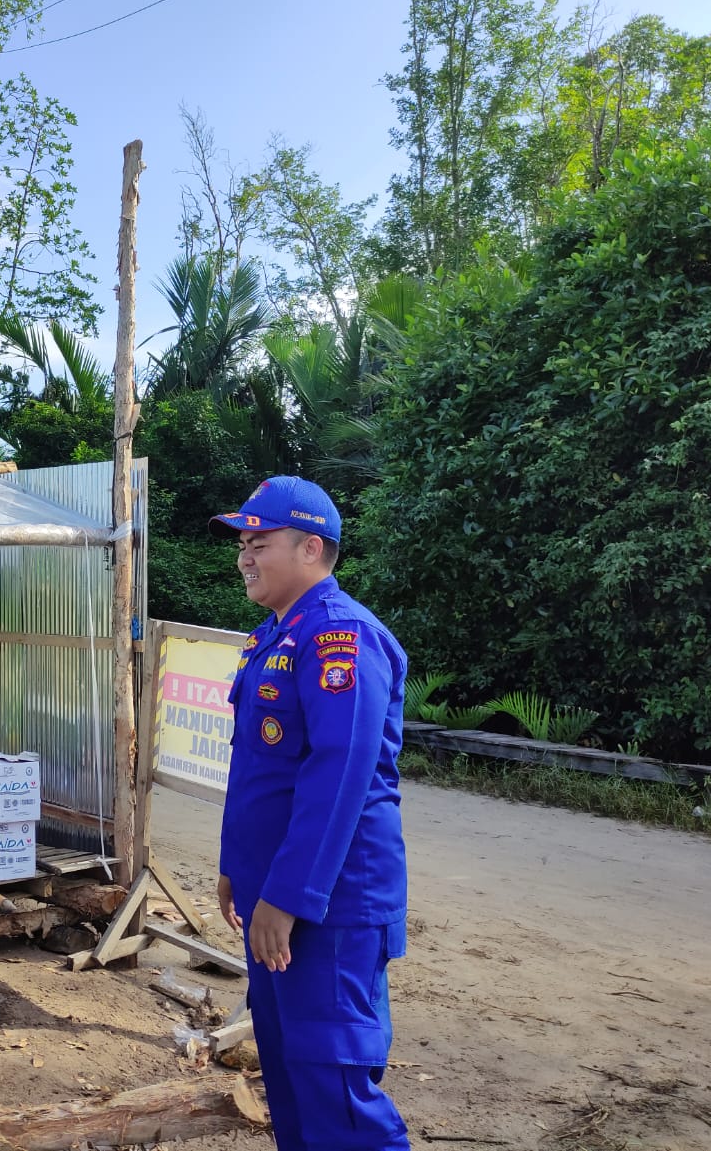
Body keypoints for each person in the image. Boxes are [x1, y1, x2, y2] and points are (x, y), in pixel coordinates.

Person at [209, 476, 410, 1151]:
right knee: (294, 1087)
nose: (244, 556)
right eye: (243, 542)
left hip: (329, 911)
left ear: (311, 548)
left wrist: (288, 896)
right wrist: (238, 870)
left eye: (258, 542)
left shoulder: (338, 636)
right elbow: (260, 773)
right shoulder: (276, 634)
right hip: (280, 904)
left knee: (339, 1099)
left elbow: (338, 778)